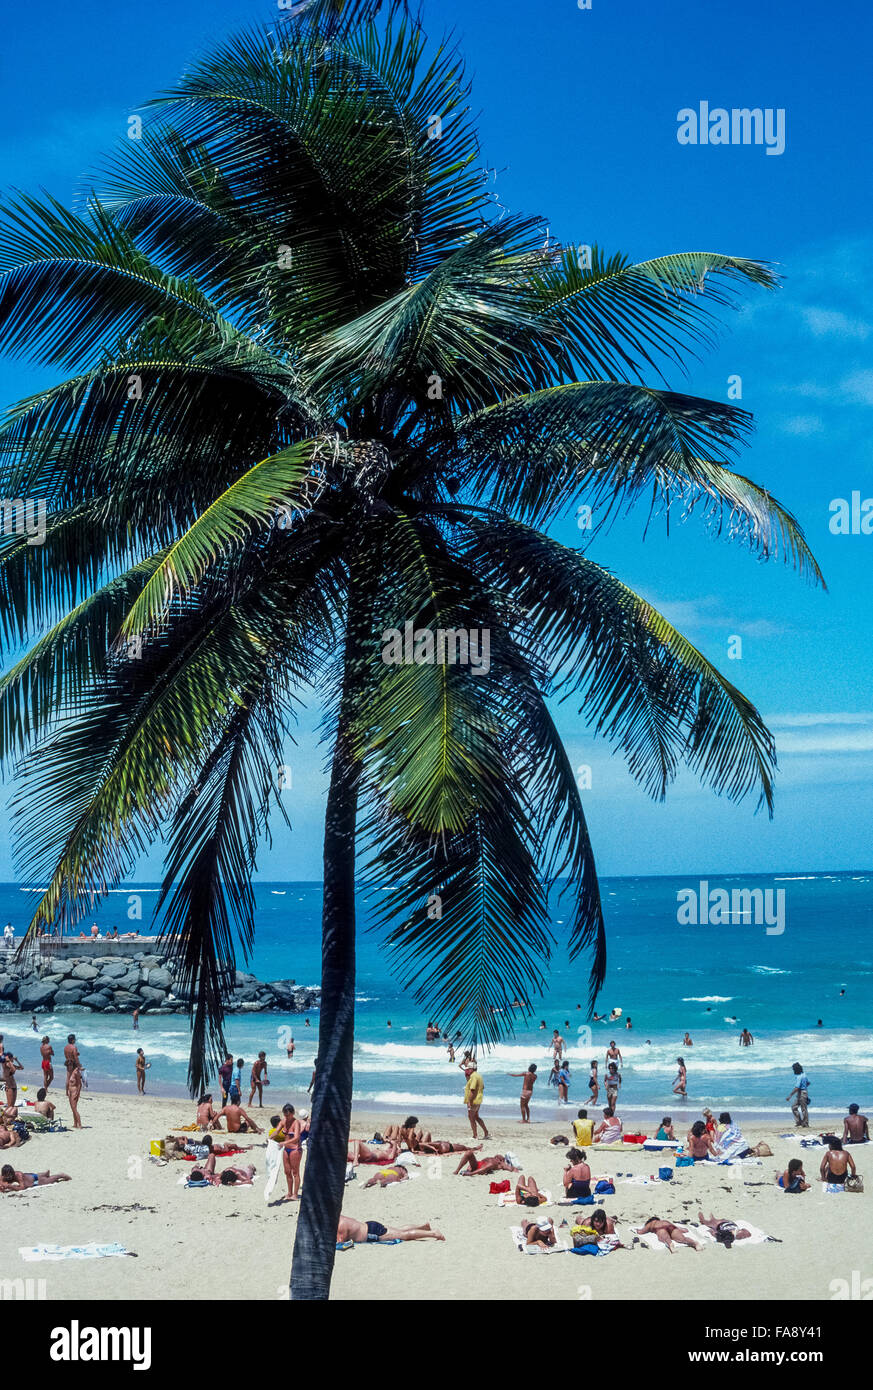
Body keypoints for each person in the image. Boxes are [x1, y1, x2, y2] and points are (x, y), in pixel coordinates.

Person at [336, 1214, 445, 1244]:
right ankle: (424, 1227)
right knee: (400, 1230)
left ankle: (434, 1233)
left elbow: (340, 1243)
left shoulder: (341, 1225)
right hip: (370, 1226)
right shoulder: (340, 1217)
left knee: (405, 1235)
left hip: (372, 1233)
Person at [277, 1103, 302, 1200]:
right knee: (287, 1172)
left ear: (293, 1113)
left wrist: (284, 1142)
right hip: (286, 1149)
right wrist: (270, 1138)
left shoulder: (296, 1123)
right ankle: (289, 1192)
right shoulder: (283, 1121)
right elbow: (276, 1131)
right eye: (285, 1115)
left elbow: (296, 1138)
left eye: (288, 1115)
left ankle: (295, 1194)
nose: (286, 1117)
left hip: (295, 1149)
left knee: (295, 1172)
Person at [189, 1153, 256, 1187]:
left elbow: (250, 1181)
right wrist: (211, 1178)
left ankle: (251, 1166)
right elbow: (217, 1177)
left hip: (246, 1170)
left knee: (251, 1168)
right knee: (212, 1156)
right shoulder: (224, 1173)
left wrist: (236, 1184)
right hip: (234, 1168)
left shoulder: (239, 1174)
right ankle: (198, 1167)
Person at [639, 1217, 703, 1252]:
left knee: (665, 1238)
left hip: (659, 1228)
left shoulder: (651, 1223)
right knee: (682, 1239)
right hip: (670, 1226)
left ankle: (670, 1244)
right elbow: (677, 1227)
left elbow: (641, 1232)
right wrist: (682, 1230)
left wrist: (638, 1230)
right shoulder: (664, 1221)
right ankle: (695, 1243)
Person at [463, 1062, 488, 1139]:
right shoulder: (479, 1076)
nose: (467, 1071)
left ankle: (475, 1135)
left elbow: (472, 1090)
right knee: (476, 1117)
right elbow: (482, 1087)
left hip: (473, 1100)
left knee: (471, 1117)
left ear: (471, 1069)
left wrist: (469, 1101)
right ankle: (486, 1132)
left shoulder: (473, 1076)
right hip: (478, 1099)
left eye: (468, 1069)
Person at [0, 1165, 71, 1191]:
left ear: (12, 1173)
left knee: (48, 1180)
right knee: (38, 1175)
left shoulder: (18, 1175)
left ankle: (61, 1175)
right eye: (7, 1175)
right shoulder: (2, 1177)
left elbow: (22, 1187)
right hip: (30, 1176)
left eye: (10, 1175)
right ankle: (44, 1174)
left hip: (34, 1181)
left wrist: (10, 1186)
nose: (9, 1177)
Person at [453, 1151, 520, 1176]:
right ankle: (457, 1170)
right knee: (469, 1153)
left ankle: (471, 1174)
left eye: (501, 1156)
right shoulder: (491, 1158)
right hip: (478, 1165)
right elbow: (478, 1162)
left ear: (503, 1159)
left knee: (490, 1164)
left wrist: (514, 1169)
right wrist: (469, 1167)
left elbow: (510, 1168)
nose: (498, 1154)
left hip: (483, 1169)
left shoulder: (500, 1163)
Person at [786, 1061, 810, 1127]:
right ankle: (800, 1122)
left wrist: (790, 1096)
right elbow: (808, 1083)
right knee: (795, 1107)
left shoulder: (799, 1077)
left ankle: (804, 1123)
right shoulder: (804, 1075)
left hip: (801, 1093)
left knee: (802, 1108)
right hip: (804, 1092)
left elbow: (797, 1087)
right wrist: (804, 1088)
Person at [66, 1063, 83, 1129]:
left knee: (74, 1109)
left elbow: (79, 1084)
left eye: (69, 1066)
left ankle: (80, 1124)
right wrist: (67, 1091)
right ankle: (75, 1124)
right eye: (67, 1066)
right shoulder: (71, 1072)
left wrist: (77, 1093)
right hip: (70, 1092)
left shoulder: (76, 1073)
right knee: (72, 1109)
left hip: (74, 1092)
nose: (68, 1067)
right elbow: (68, 1083)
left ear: (72, 1066)